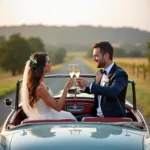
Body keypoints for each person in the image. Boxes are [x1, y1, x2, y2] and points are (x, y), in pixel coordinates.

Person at [76, 41, 128, 121]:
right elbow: (98, 89)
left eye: (96, 56)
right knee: (72, 120)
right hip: (96, 116)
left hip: (113, 119)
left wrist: (89, 85)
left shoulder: (120, 74)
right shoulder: (99, 73)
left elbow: (113, 91)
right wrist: (84, 87)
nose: (93, 59)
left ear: (106, 55)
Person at [21, 52, 76, 121]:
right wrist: (66, 88)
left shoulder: (41, 82)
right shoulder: (40, 88)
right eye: (49, 62)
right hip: (46, 119)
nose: (51, 64)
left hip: (50, 114)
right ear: (42, 66)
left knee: (69, 116)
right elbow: (57, 107)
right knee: (70, 117)